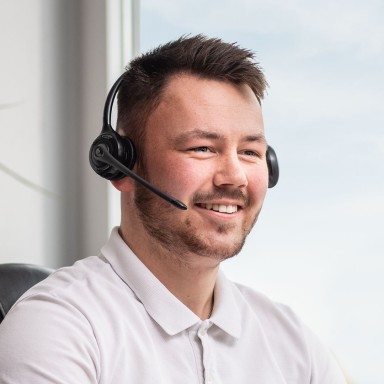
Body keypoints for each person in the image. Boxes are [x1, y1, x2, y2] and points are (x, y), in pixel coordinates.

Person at [0, 35, 346, 383]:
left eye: (250, 152)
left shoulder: (295, 346)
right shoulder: (58, 327)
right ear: (121, 166)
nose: (234, 177)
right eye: (202, 148)